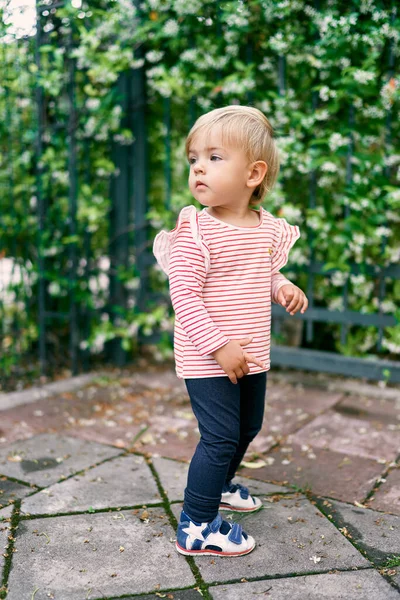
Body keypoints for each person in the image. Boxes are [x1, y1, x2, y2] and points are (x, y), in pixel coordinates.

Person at [153, 105, 308, 557]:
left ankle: (219, 484)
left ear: (253, 173)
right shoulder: (195, 232)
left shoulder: (265, 230)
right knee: (219, 436)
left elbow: (262, 273)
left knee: (248, 427)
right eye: (194, 159)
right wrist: (219, 346)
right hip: (209, 356)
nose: (199, 167)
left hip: (253, 352)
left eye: (214, 157)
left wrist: (283, 286)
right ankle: (198, 524)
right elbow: (184, 297)